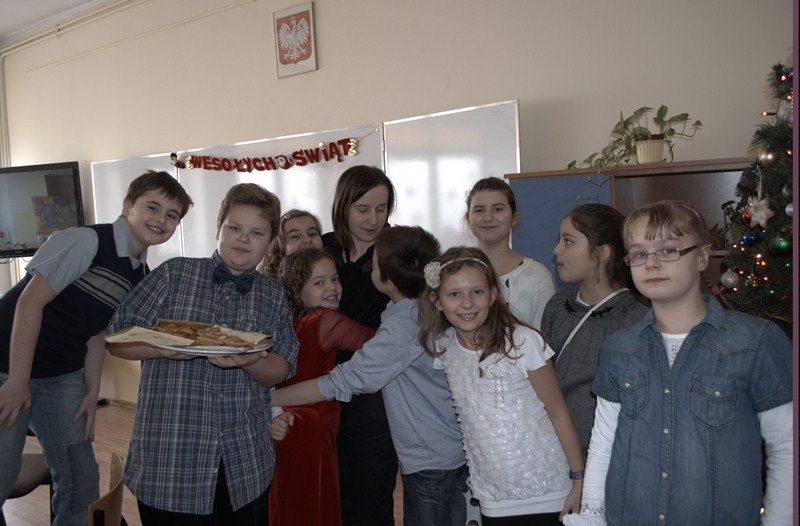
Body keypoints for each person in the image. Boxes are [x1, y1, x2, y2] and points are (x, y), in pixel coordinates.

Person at [563, 200, 793, 526]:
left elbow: (786, 448)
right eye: (639, 254)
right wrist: (592, 514)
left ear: (701, 257)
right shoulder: (619, 348)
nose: (651, 263)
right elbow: (604, 443)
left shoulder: (756, 342)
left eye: (668, 250)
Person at [0, 170, 192, 526]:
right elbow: (28, 304)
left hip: (60, 373)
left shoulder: (140, 275)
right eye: (152, 207)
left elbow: (96, 334)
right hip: (7, 362)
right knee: (3, 470)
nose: (161, 220)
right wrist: (17, 381)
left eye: (172, 215)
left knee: (80, 477)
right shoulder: (86, 240)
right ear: (127, 206)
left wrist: (92, 392)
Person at [105, 183, 299, 525]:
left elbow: (282, 368)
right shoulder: (174, 275)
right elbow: (117, 338)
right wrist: (163, 347)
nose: (243, 239)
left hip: (245, 462)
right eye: (234, 228)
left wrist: (251, 361)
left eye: (256, 233)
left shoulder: (273, 294)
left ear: (271, 243)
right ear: (218, 229)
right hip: (171, 461)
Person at [271, 226, 469, 526]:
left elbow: (345, 380)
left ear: (387, 281)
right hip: (435, 451)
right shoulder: (406, 311)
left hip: (431, 457)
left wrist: (270, 399)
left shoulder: (405, 323)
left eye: (373, 266)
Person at [419, 246, 584, 526]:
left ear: (493, 295)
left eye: (477, 291)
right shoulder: (446, 348)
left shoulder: (522, 342)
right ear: (437, 301)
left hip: (550, 490)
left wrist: (579, 479)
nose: (467, 303)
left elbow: (558, 412)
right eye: (454, 294)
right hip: (494, 497)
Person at [268, 247, 376, 526]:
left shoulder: (290, 323)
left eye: (335, 279)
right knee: (313, 502)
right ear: (297, 291)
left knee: (291, 502)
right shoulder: (325, 320)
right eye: (319, 282)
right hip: (310, 425)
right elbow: (376, 343)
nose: (332, 288)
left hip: (284, 421)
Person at [322, 165, 398, 525]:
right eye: (362, 209)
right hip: (321, 385)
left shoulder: (397, 252)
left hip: (374, 392)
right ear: (343, 206)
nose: (373, 220)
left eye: (381, 209)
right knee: (331, 491)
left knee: (371, 494)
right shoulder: (323, 248)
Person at [540, 204, 648, 454]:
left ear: (601, 253)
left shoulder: (636, 315)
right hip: (554, 450)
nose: (557, 250)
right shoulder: (557, 306)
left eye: (568, 241)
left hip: (608, 453)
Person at [465, 177, 554, 329]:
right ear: (468, 219)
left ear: (514, 218)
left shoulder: (538, 276)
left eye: (498, 209)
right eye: (479, 210)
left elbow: (543, 338)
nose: (488, 218)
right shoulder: (453, 273)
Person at [258, 209, 323, 277]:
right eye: (295, 236)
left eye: (312, 234)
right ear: (278, 248)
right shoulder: (267, 282)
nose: (307, 240)